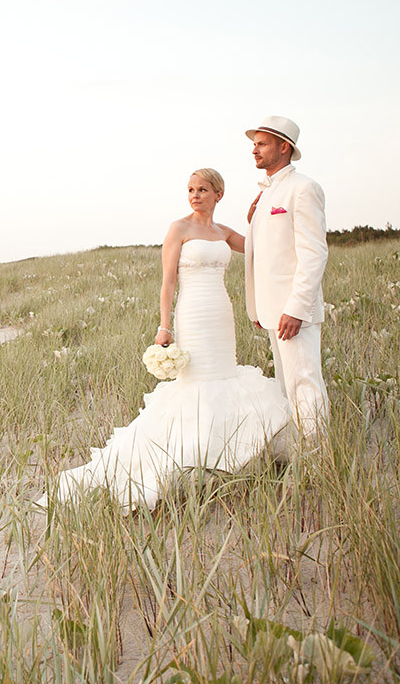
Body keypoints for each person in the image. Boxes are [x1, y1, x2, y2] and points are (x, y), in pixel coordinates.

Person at [45, 169, 291, 513]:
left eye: (203, 189)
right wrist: (165, 327)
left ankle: (224, 458)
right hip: (192, 313)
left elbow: (257, 248)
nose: (195, 195)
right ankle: (186, 460)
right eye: (191, 189)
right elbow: (168, 282)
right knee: (197, 382)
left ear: (218, 194)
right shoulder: (179, 228)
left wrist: (260, 213)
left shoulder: (223, 232)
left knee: (224, 378)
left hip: (220, 311)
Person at [243, 116, 329, 436]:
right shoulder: (266, 194)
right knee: (286, 386)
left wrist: (296, 307)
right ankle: (298, 450)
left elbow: (313, 253)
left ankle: (317, 460)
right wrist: (258, 306)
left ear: (284, 147)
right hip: (271, 310)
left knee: (304, 384)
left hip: (294, 311)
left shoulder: (304, 188)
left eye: (261, 143)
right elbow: (264, 253)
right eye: (253, 144)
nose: (254, 150)